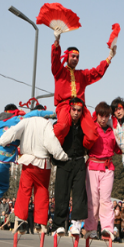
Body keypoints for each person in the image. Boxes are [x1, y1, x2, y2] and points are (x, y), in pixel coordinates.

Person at [0, 104, 68, 234]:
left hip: (28, 161)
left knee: (24, 190)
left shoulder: (26, 121)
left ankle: (21, 220)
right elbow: (51, 142)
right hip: (43, 163)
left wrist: (1, 141)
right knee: (42, 191)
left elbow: (12, 132)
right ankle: (40, 222)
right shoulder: (46, 124)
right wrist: (62, 156)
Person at [51, 28, 116, 150]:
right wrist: (56, 42)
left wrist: (109, 58)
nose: (75, 59)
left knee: (92, 133)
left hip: (81, 107)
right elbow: (55, 60)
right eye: (73, 56)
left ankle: (84, 151)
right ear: (67, 56)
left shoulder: (82, 75)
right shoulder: (59, 71)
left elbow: (97, 72)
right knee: (62, 127)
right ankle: (55, 150)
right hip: (64, 106)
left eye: (77, 57)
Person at [50, 98, 89, 236]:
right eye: (74, 110)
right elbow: (52, 143)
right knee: (61, 194)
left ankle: (76, 224)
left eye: (79, 110)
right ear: (69, 109)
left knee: (79, 194)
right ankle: (58, 225)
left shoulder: (85, 126)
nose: (76, 113)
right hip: (64, 162)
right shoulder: (61, 124)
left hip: (79, 162)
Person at [84, 102, 121, 240]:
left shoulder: (113, 131)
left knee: (106, 200)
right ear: (97, 115)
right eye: (101, 116)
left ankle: (107, 228)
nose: (103, 119)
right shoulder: (92, 128)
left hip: (108, 167)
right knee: (92, 199)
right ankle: (91, 229)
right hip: (93, 165)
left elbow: (118, 149)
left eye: (106, 116)